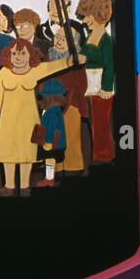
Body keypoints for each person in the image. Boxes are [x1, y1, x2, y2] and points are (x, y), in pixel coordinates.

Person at [0, 37, 83, 195]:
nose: (18, 57)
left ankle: (25, 186)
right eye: (14, 53)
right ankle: (9, 186)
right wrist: (7, 112)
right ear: (9, 55)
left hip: (30, 120)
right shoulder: (4, 73)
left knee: (28, 154)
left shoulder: (35, 71)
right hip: (8, 121)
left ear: (30, 56)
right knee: (8, 153)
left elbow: (53, 67)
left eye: (22, 53)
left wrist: (71, 61)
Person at [77, 0, 115, 164]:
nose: (84, 21)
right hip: (88, 86)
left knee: (101, 125)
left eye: (86, 16)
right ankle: (94, 156)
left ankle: (103, 157)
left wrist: (106, 88)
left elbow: (110, 66)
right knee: (92, 124)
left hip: (100, 88)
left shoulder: (105, 41)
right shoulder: (90, 37)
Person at [49, 24, 89, 174]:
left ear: (75, 43)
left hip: (71, 104)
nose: (58, 41)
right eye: (57, 37)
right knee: (52, 140)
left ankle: (72, 170)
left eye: (64, 39)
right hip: (50, 105)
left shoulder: (77, 63)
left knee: (71, 140)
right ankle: (54, 171)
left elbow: (82, 85)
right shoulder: (48, 58)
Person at [33, 78, 67, 188]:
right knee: (49, 160)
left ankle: (49, 179)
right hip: (50, 142)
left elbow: (51, 128)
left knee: (50, 160)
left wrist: (47, 142)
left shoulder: (53, 112)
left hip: (52, 142)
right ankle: (48, 177)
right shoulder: (50, 110)